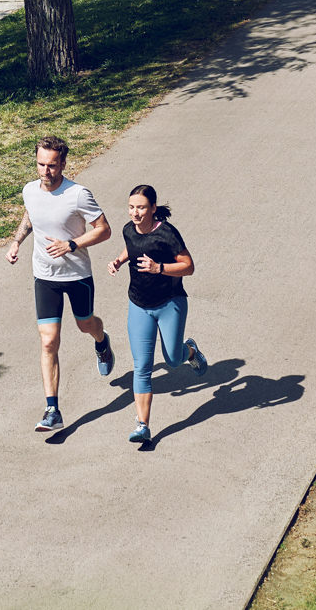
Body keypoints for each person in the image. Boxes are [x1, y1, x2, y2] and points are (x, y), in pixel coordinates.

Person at [7, 136, 114, 432]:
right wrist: (16, 242)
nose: (46, 171)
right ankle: (52, 409)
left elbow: (104, 230)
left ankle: (102, 342)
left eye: (52, 165)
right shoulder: (29, 190)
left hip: (77, 275)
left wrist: (72, 244)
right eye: (41, 164)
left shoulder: (78, 194)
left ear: (63, 164)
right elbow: (31, 214)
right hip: (45, 277)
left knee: (86, 325)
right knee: (48, 341)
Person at [107, 184, 208, 444]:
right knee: (142, 367)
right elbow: (132, 247)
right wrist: (119, 260)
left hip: (169, 303)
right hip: (139, 304)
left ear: (153, 208)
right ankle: (143, 426)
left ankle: (191, 352)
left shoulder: (167, 234)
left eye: (141, 207)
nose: (135, 213)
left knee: (173, 359)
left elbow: (189, 267)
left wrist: (158, 268)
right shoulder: (128, 229)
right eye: (131, 207)